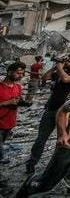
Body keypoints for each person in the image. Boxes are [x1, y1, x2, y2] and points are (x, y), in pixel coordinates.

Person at [26, 54, 70, 175]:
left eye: (69, 60)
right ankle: (31, 163)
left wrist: (60, 68)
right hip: (51, 109)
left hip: (65, 113)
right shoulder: (61, 71)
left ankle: (59, 166)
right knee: (41, 138)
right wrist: (54, 68)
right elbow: (45, 77)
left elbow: (66, 79)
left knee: (62, 140)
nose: (66, 62)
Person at [0, 62, 28, 192]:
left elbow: (17, 100)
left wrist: (23, 103)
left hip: (9, 124)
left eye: (22, 73)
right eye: (18, 72)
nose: (20, 75)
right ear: (10, 71)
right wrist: (7, 102)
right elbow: (8, 102)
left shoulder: (18, 87)